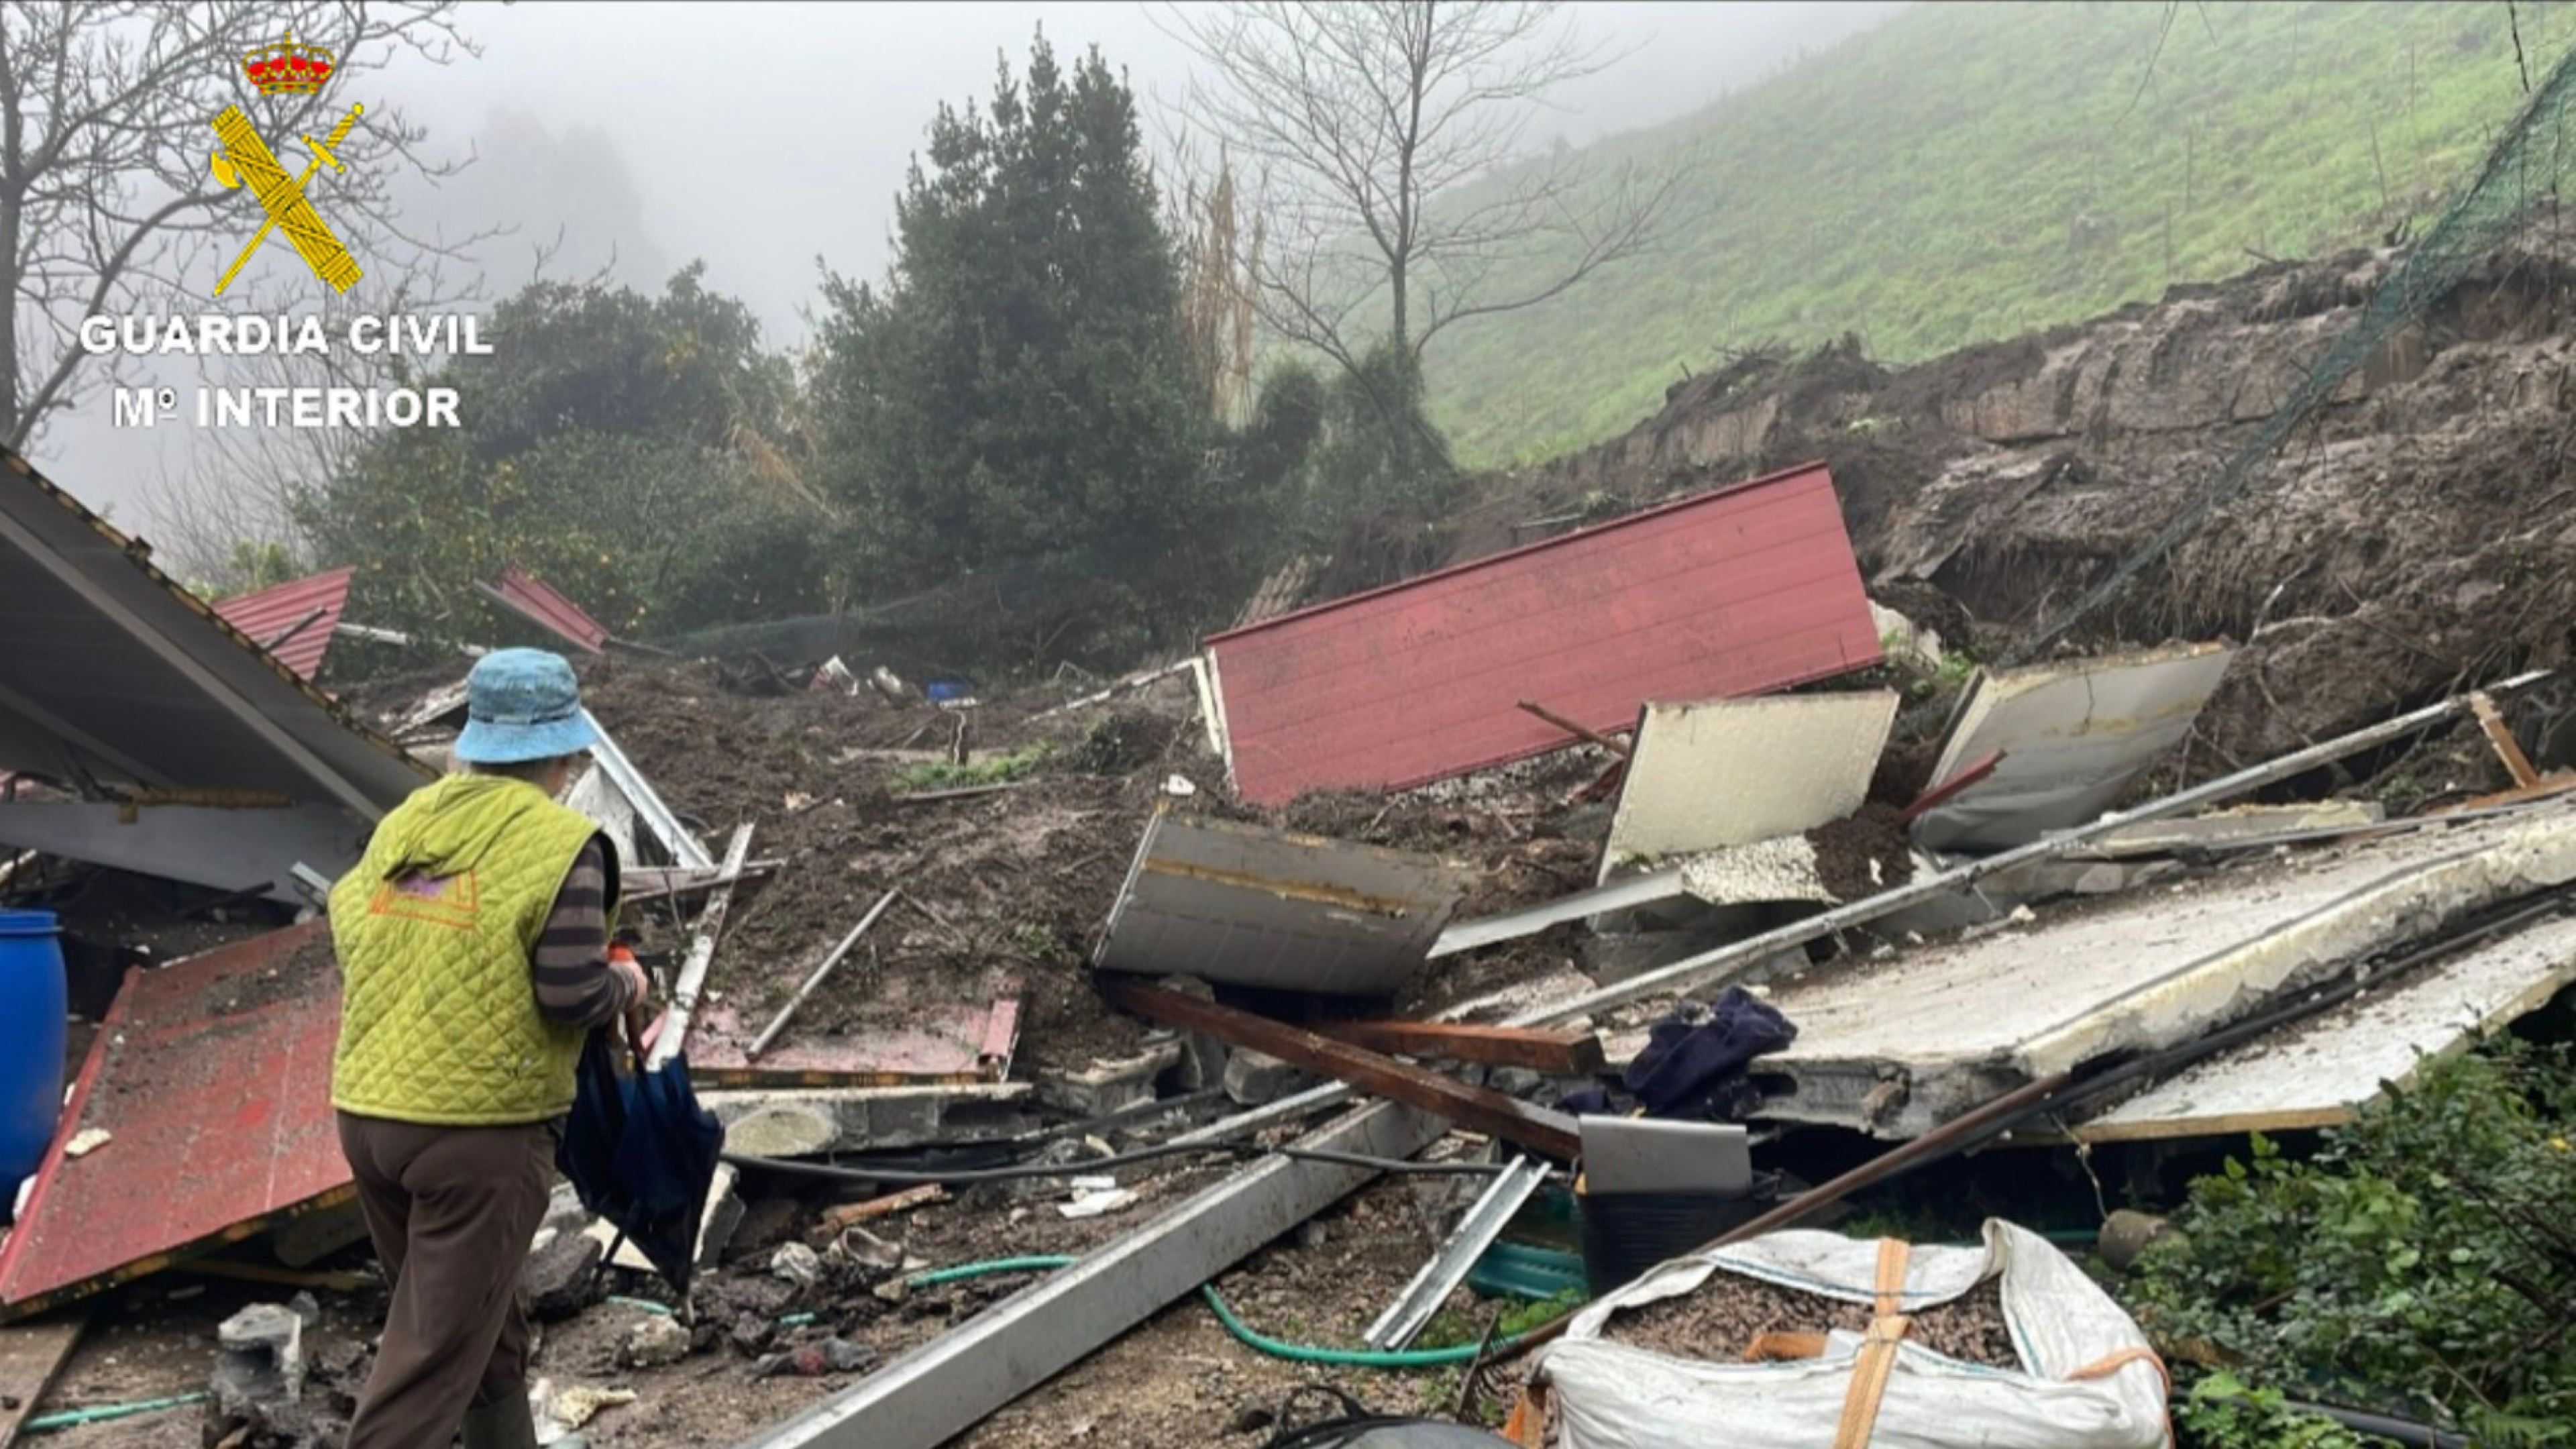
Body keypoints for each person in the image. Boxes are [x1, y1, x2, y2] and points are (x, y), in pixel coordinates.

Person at [328, 648, 653, 1449]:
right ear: (567, 752)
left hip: (369, 1117)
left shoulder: (409, 821)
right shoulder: (560, 841)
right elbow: (572, 994)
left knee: (477, 1320)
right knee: (425, 1367)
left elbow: (349, 928)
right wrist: (632, 988)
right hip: (476, 1136)